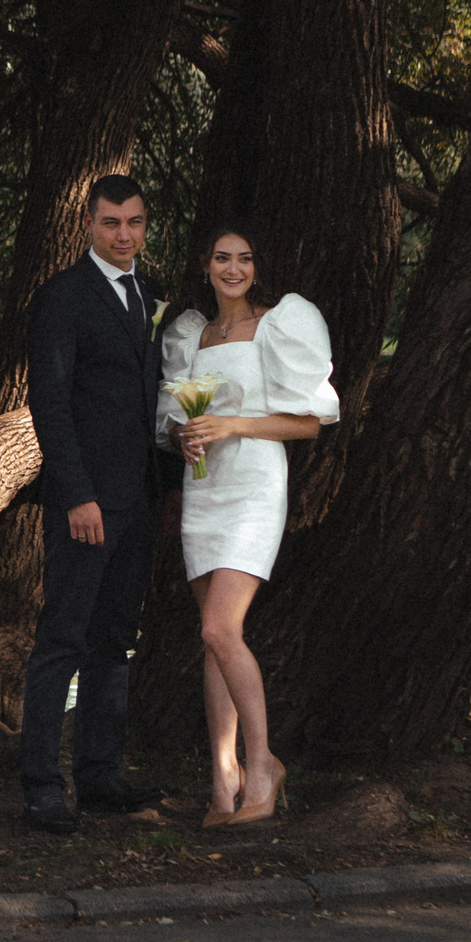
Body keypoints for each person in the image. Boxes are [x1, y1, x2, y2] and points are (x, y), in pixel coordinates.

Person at [158, 219, 338, 827]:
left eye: (244, 258)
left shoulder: (279, 325)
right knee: (212, 641)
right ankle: (221, 781)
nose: (233, 269)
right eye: (221, 259)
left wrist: (235, 424)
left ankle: (262, 766)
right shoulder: (192, 335)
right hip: (205, 487)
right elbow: (180, 416)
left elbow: (309, 424)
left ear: (256, 267)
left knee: (218, 628)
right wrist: (187, 436)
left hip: (256, 484)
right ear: (205, 266)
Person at [18, 173, 174, 833]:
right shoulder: (63, 297)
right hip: (85, 504)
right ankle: (40, 784)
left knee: (115, 641)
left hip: (141, 496)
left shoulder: (155, 295)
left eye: (134, 222)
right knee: (64, 637)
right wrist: (77, 495)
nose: (123, 234)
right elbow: (50, 406)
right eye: (111, 222)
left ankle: (100, 775)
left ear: (145, 225)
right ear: (88, 224)